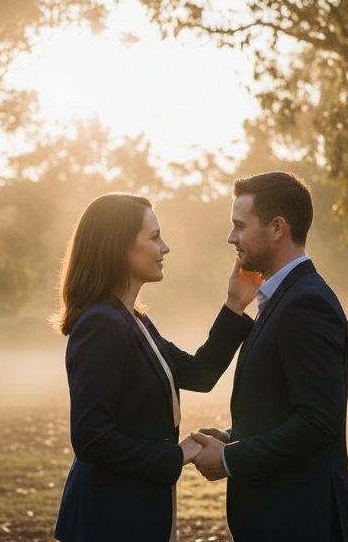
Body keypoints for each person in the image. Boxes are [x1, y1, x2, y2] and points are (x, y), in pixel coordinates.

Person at [54, 192, 261, 542]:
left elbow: (200, 373)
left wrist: (235, 304)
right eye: (154, 237)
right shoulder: (101, 325)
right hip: (108, 518)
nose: (164, 248)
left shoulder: (134, 321)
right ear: (118, 246)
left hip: (135, 511)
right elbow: (91, 437)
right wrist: (174, 455)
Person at [191, 172, 348, 542]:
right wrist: (236, 436)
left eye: (239, 225)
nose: (231, 237)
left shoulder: (307, 303)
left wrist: (231, 459)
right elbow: (288, 406)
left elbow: (318, 421)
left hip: (299, 522)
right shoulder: (283, 299)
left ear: (277, 228)